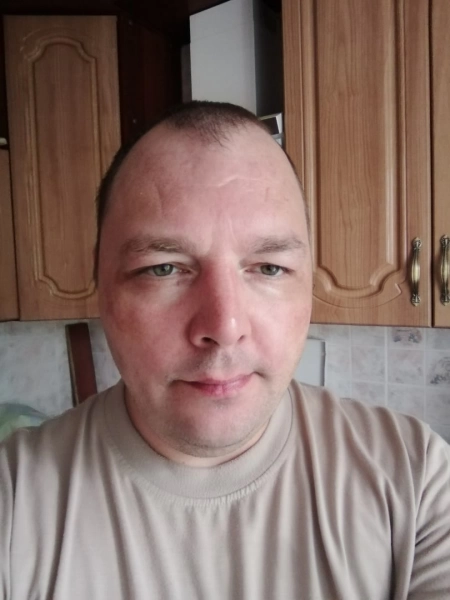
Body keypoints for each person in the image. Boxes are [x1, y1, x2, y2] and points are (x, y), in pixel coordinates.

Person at [1, 101, 449, 600]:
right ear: (100, 286)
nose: (224, 327)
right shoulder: (13, 500)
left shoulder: (418, 482)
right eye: (164, 268)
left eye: (269, 268)